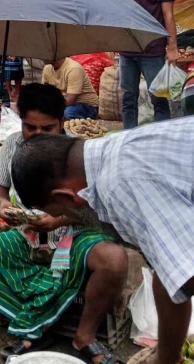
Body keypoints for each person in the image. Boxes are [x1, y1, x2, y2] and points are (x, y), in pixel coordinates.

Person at [0, 84, 127, 363]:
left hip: (75, 238)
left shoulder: (79, 152)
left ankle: (84, 336)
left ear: (62, 123)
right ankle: (37, 322)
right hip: (26, 236)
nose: (37, 135)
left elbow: (99, 204)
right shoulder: (13, 145)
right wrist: (4, 205)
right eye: (30, 127)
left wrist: (59, 218)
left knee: (114, 259)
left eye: (47, 128)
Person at [11, 118, 194, 364]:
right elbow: (169, 275)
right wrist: (167, 357)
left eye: (58, 211)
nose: (62, 218)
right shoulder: (111, 151)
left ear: (66, 195)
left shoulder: (119, 185)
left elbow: (185, 277)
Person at [107, 0, 177, 128]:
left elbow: (168, 15)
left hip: (153, 50)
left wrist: (172, 47)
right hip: (127, 51)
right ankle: (129, 139)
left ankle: (163, 137)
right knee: (128, 99)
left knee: (158, 98)